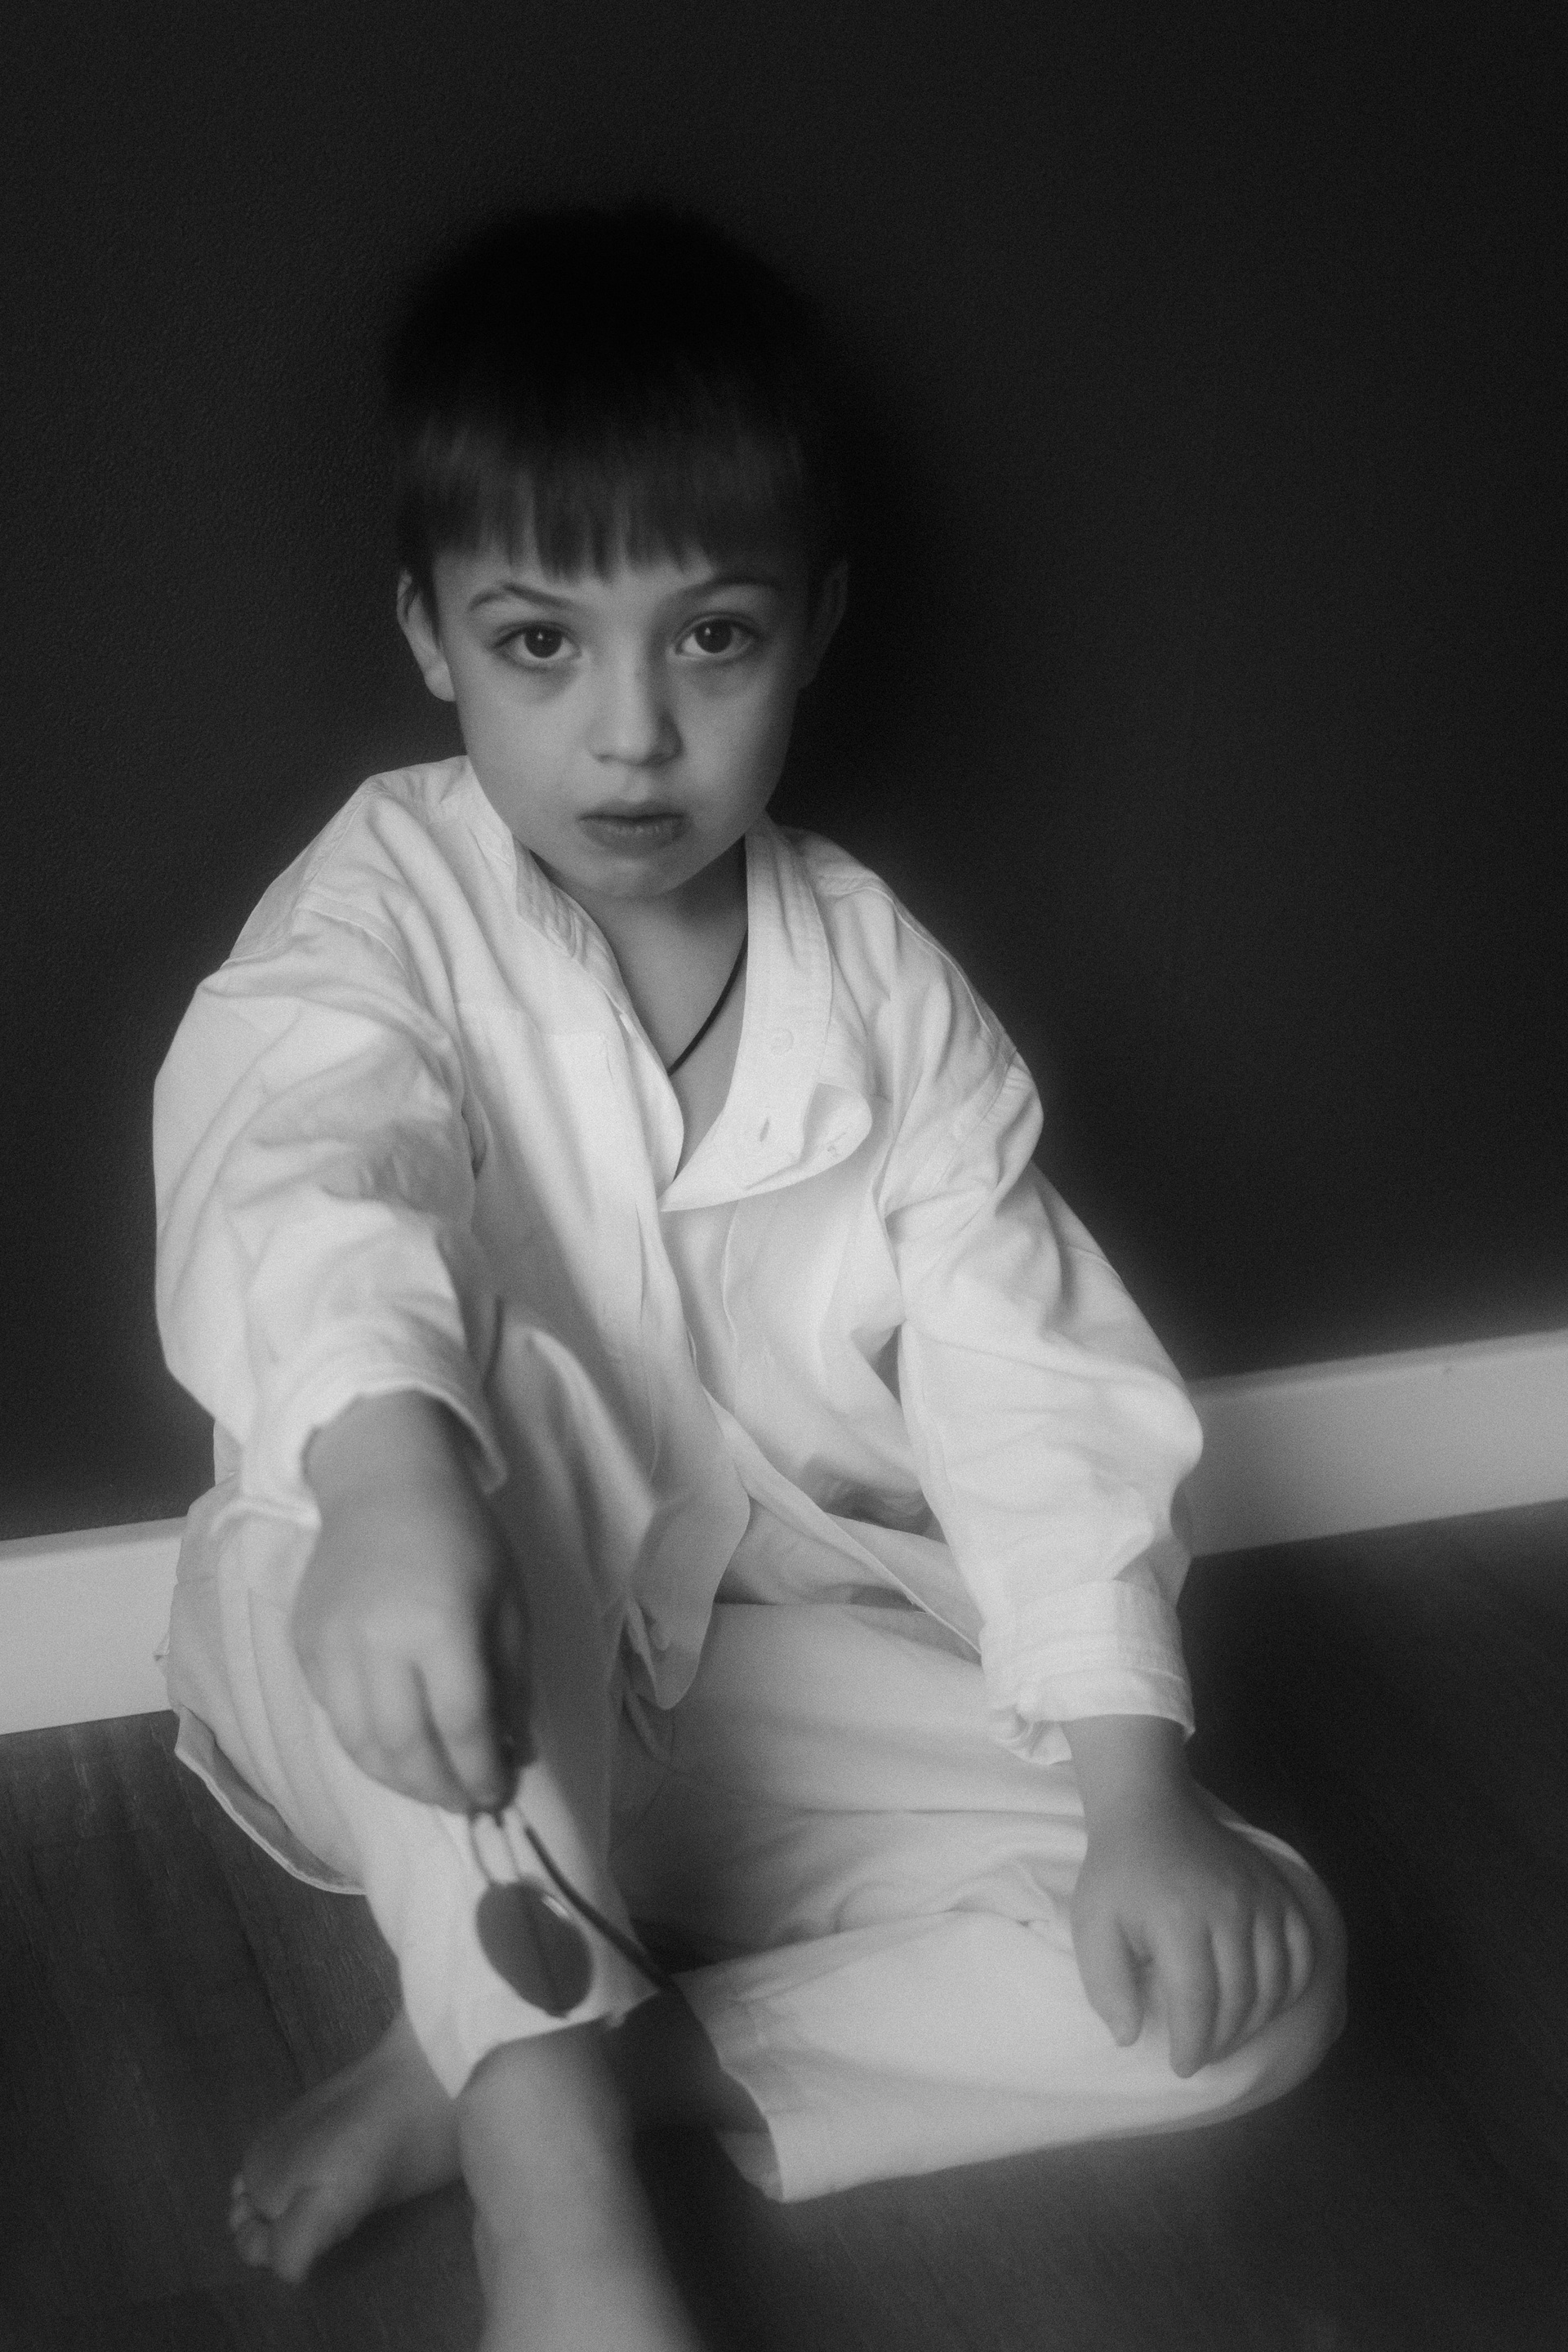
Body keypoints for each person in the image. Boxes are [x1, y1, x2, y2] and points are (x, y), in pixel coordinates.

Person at [154, 203, 1346, 2352]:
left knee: (1255, 1974)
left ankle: (568, 2064)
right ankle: (550, 2194)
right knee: (494, 1392)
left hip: (723, 1692)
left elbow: (1028, 1378)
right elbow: (307, 1167)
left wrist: (1139, 1806)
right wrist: (386, 1474)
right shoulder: (383, 905)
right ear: (428, 636)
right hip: (400, 1642)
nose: (633, 734)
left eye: (710, 639)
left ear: (813, 632)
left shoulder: (883, 986)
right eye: (541, 644)